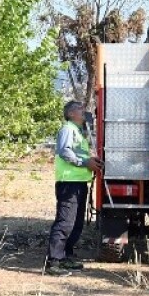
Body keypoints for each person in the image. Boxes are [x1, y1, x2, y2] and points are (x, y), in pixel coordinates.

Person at [46, 100, 102, 276]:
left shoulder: (79, 132)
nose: (83, 111)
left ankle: (66, 256)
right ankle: (54, 261)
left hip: (79, 183)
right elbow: (64, 152)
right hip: (68, 183)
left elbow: (79, 153)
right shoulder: (68, 129)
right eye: (80, 109)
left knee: (76, 224)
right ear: (70, 114)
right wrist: (85, 162)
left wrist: (92, 162)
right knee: (65, 222)